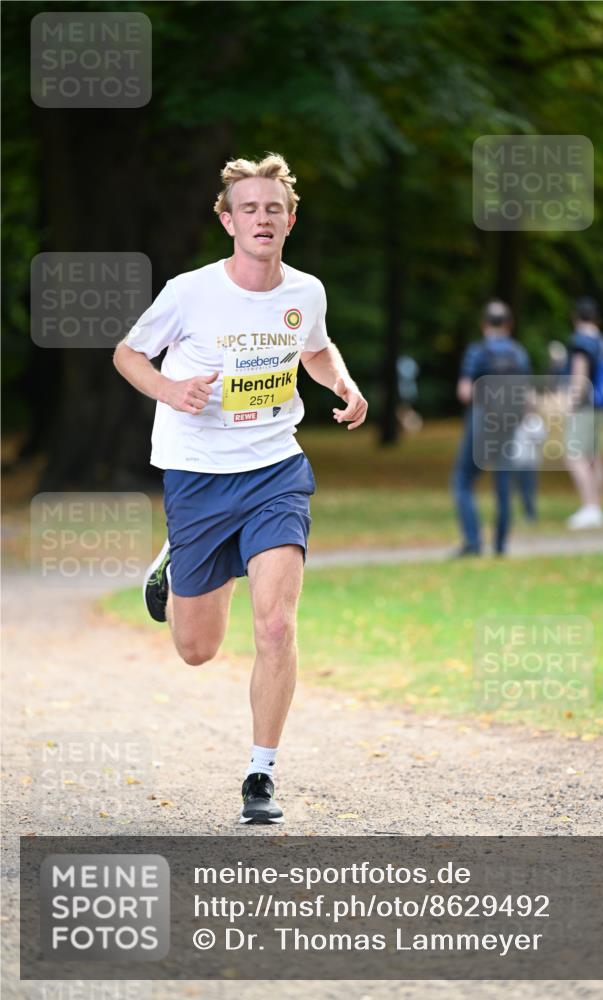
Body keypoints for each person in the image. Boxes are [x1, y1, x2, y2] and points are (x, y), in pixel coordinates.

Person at [113, 153, 368, 824]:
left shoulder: (304, 292)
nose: (262, 218)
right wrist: (170, 388)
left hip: (274, 470)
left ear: (289, 219)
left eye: (273, 208)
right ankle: (176, 559)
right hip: (197, 475)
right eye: (248, 208)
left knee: (277, 623)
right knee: (197, 649)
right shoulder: (189, 291)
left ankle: (261, 773)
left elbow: (314, 347)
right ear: (228, 220)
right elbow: (127, 354)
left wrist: (340, 381)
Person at [451, 300, 531, 556]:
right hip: (508, 422)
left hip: (482, 419)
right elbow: (527, 395)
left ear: (484, 323)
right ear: (509, 324)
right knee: (504, 483)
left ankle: (473, 542)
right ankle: (500, 545)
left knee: (463, 480)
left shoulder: (478, 351)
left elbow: (464, 392)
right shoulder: (519, 353)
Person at [564, 296, 603, 529]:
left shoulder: (580, 341)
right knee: (595, 457)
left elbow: (579, 376)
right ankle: (597, 507)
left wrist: (570, 403)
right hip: (602, 404)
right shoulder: (602, 341)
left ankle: (589, 507)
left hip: (585, 405)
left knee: (574, 455)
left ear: (576, 317)